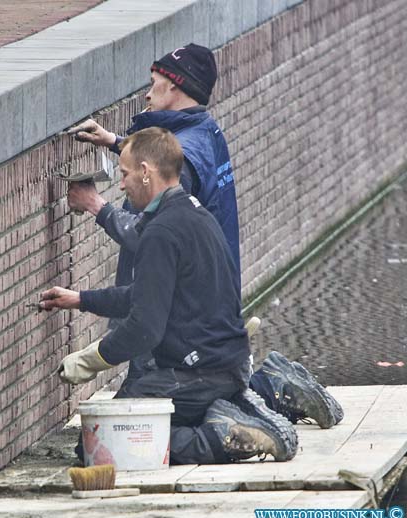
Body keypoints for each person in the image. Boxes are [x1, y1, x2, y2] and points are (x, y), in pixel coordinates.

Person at [68, 43, 343, 429]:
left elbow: (147, 237)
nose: (147, 94)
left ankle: (267, 392)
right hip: (203, 299)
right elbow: (167, 160)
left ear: (175, 89)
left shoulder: (183, 171)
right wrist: (115, 142)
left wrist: (96, 206)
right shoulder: (202, 130)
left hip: (181, 304)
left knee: (140, 419)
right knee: (189, 389)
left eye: (155, 84)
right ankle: (271, 385)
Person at [41, 127, 297, 464]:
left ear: (145, 173)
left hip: (197, 374)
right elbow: (147, 294)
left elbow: (145, 328)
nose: (121, 185)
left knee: (104, 445)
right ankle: (244, 402)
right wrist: (82, 299)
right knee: (120, 429)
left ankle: (221, 436)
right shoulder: (194, 214)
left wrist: (91, 359)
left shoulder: (162, 232)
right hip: (225, 362)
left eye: (125, 174)